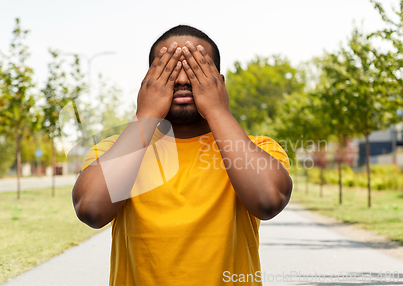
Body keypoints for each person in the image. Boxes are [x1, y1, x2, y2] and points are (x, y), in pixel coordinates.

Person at [72, 25, 292, 286]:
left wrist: (218, 111)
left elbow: (268, 202)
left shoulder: (259, 148)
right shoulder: (113, 150)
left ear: (218, 83)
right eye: (169, 69)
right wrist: (146, 115)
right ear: (148, 82)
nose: (183, 80)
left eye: (196, 69)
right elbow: (91, 210)